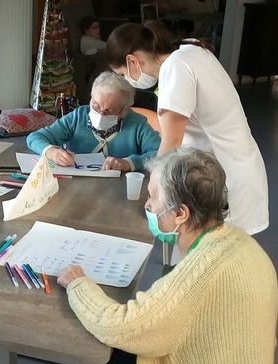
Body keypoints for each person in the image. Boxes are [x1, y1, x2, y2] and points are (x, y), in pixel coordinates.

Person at [58, 148, 277, 364]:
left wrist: (78, 284)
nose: (148, 204)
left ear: (180, 214)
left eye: (153, 197)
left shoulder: (200, 272)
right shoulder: (236, 240)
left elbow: (120, 325)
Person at [105, 21, 268, 234]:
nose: (127, 80)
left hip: (225, 179)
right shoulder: (191, 49)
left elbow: (171, 144)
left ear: (132, 60)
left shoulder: (175, 68)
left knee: (217, 260)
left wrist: (152, 193)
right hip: (235, 167)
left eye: (123, 74)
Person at [26, 71, 160, 172]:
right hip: (76, 187)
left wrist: (129, 163)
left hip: (118, 191)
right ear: (91, 97)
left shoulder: (137, 124)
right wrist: (52, 151)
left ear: (124, 110)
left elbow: (161, 153)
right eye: (95, 106)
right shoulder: (78, 116)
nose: (100, 114)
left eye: (108, 111)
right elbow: (35, 137)